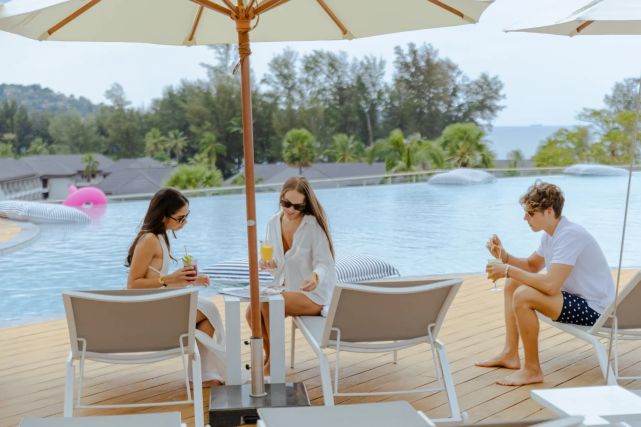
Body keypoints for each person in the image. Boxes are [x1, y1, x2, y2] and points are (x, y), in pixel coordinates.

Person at [477, 181, 615, 386]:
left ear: (549, 211)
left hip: (597, 310)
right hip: (578, 300)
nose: (525, 218)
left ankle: (532, 370)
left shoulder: (571, 235)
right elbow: (532, 265)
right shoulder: (551, 235)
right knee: (514, 283)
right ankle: (510, 354)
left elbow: (550, 285)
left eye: (530, 213)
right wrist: (504, 256)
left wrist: (506, 269)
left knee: (523, 295)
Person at [126, 188, 226, 385]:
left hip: (156, 305)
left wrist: (187, 280)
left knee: (208, 311)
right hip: (147, 314)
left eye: (186, 217)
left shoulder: (160, 237)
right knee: (209, 311)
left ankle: (201, 375)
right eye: (180, 218)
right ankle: (202, 375)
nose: (184, 222)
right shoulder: (149, 240)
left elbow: (160, 280)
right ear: (163, 215)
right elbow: (132, 284)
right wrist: (169, 279)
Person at [246, 176, 337, 375]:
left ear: (306, 205)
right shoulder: (273, 222)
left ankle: (274, 364)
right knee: (251, 311)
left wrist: (315, 276)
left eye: (298, 206)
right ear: (281, 197)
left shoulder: (312, 226)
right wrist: (270, 264)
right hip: (285, 289)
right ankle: (270, 357)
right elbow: (278, 263)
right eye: (286, 203)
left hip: (313, 295)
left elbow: (325, 263)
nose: (291, 210)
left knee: (269, 303)